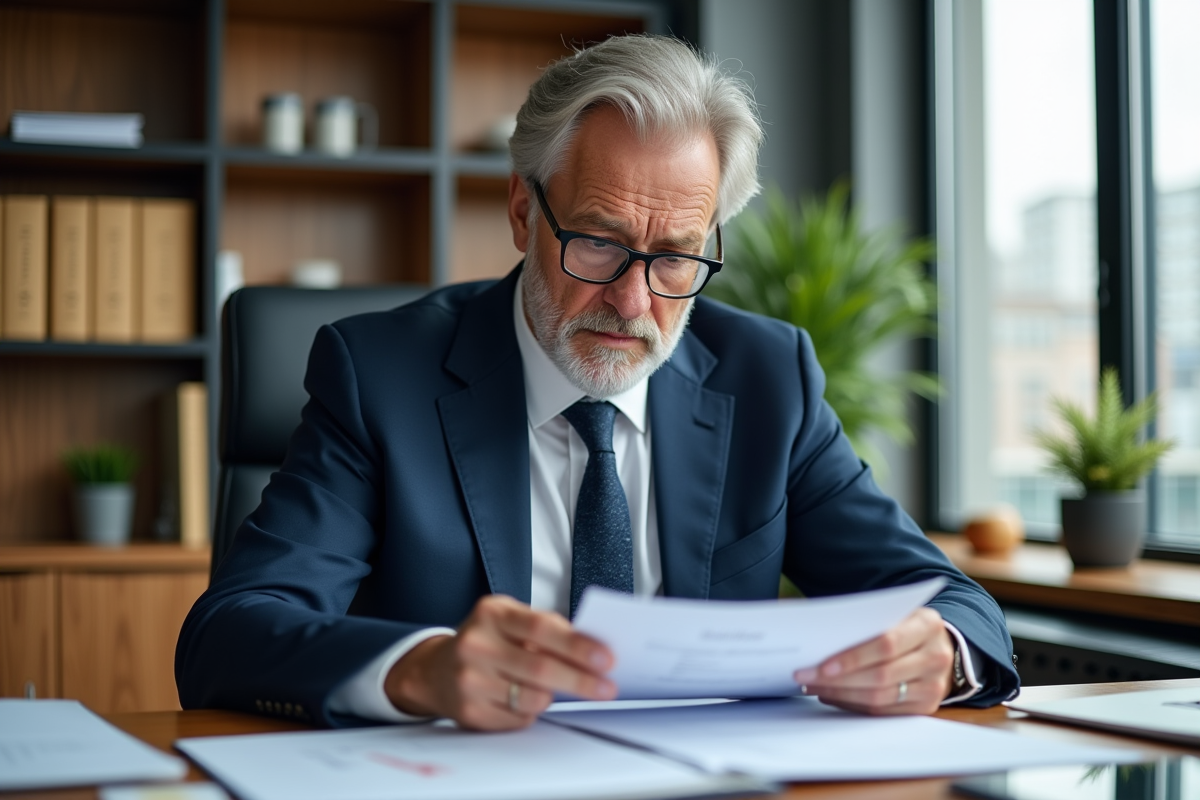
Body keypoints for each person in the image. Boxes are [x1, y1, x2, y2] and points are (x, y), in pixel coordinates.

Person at [176, 34, 1019, 731]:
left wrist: (937, 649)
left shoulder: (769, 379)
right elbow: (229, 634)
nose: (632, 300)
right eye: (599, 243)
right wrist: (419, 669)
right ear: (520, 212)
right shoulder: (380, 377)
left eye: (678, 257)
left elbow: (952, 600)